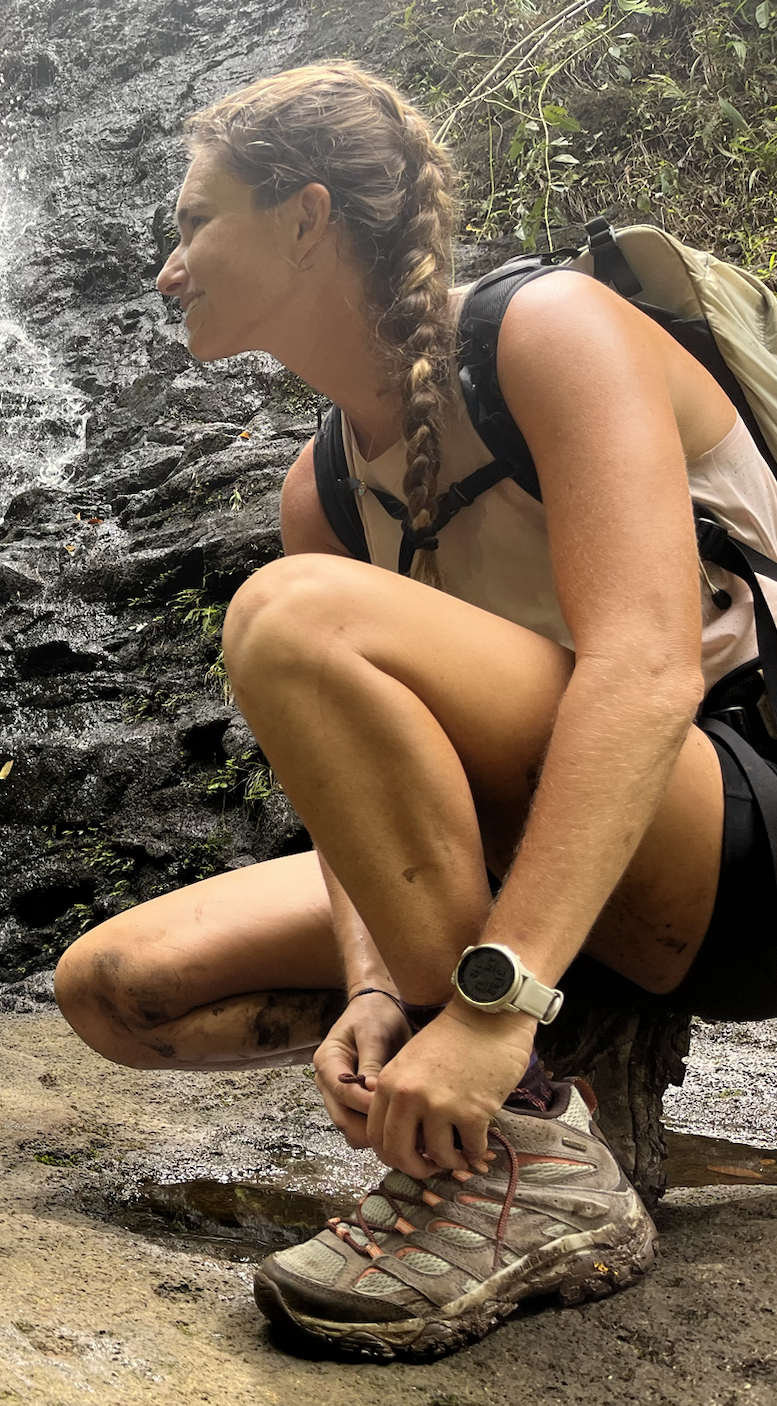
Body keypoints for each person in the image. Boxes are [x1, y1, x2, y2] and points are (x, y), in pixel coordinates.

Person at [53, 61, 777, 1360]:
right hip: (559, 881)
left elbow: (648, 669)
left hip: (739, 837)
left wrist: (486, 1012)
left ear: (304, 217)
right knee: (116, 987)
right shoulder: (321, 484)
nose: (166, 267)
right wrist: (378, 983)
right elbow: (359, 787)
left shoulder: (544, 332)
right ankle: (559, 1095)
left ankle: (511, 1148)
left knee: (292, 617)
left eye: (191, 222)